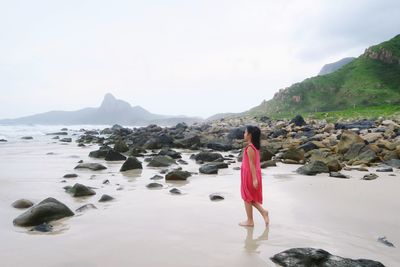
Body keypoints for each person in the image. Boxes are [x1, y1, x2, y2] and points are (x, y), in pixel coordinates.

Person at [239, 125, 270, 227]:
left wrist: (254, 179)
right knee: (249, 197)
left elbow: (252, 164)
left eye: (245, 132)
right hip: (250, 174)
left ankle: (250, 221)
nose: (244, 134)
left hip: (249, 175)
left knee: (247, 197)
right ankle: (262, 212)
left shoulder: (250, 148)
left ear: (250, 135)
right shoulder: (254, 147)